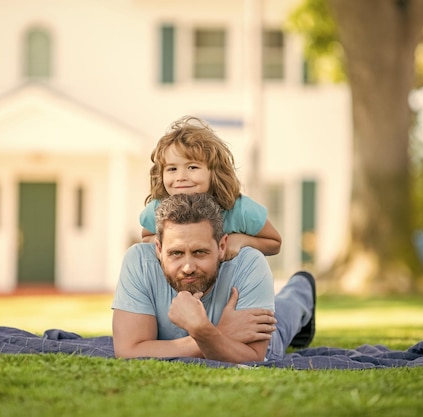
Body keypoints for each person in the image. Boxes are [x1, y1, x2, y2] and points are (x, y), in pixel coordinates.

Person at [113, 193, 316, 364]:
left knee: (288, 311)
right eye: (175, 253)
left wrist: (203, 333)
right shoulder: (139, 261)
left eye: (200, 252)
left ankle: (302, 286)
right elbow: (128, 351)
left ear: (221, 246)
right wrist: (212, 333)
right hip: (229, 330)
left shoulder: (249, 263)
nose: (188, 267)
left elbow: (253, 356)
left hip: (268, 342)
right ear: (158, 249)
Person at [140, 115, 281, 261]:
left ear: (214, 172)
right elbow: (146, 237)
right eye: (172, 169)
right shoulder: (158, 209)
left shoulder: (240, 210)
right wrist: (165, 243)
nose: (180, 177)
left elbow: (274, 243)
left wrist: (242, 240)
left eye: (192, 167)